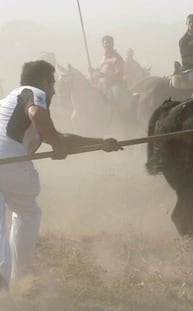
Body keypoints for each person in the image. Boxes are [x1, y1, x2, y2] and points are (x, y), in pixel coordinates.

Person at [0, 60, 122, 290]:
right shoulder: (32, 93)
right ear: (44, 82)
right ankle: (19, 278)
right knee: (27, 212)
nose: (54, 90)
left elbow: (60, 137)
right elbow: (38, 114)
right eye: (52, 83)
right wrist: (56, 144)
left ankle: (2, 277)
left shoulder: (8, 105)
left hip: (5, 162)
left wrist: (101, 143)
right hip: (10, 164)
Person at [90, 35, 125, 103]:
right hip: (102, 84)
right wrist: (94, 71)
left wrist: (105, 75)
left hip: (114, 84)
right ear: (103, 45)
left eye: (109, 42)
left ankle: (117, 112)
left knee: (116, 98)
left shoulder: (117, 58)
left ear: (112, 44)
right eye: (105, 43)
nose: (107, 45)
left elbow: (119, 73)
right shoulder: (103, 58)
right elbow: (101, 70)